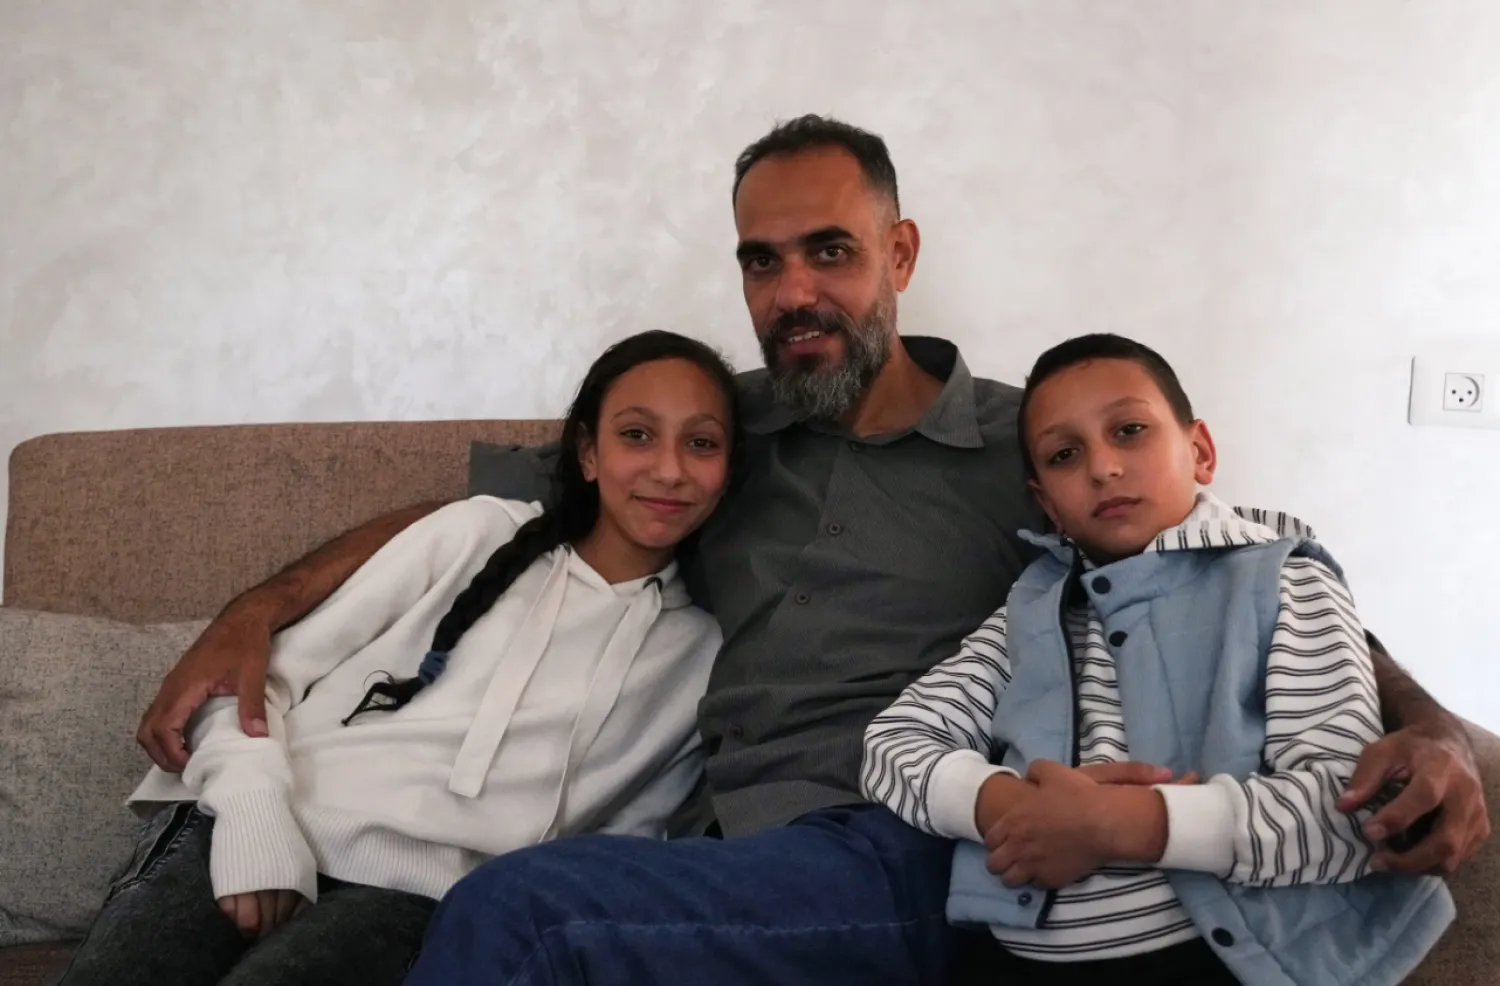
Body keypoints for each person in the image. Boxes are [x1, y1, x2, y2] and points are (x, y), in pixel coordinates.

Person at [135, 117, 1486, 986]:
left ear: (898, 252)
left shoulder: (1036, 443)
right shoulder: (711, 438)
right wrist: (261, 607)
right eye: (762, 261)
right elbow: (508, 506)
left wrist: (1439, 735)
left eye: (829, 252)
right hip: (716, 857)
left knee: (528, 915)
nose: (793, 293)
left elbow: (1232, 577)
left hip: (907, 851)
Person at [59, 331, 739, 986]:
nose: (669, 469)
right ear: (588, 453)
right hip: (257, 811)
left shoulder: (703, 654)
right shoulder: (473, 533)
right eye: (637, 434)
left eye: (701, 443)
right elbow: (251, 680)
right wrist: (254, 818)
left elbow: (626, 847)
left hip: (417, 900)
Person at [861, 333, 1453, 986]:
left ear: (1199, 450)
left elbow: (1354, 813)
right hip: (1010, 961)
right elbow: (893, 741)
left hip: (1220, 960)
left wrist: (1127, 825)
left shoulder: (1282, 578)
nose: (1103, 468)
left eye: (1130, 430)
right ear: (1047, 504)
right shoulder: (1029, 611)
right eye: (1065, 454)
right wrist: (1004, 806)